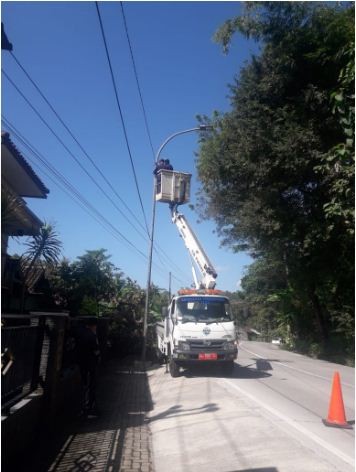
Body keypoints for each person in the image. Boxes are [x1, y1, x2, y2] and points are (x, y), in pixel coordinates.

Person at [76, 317, 101, 418]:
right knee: (90, 386)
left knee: (85, 385)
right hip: (90, 364)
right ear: (93, 326)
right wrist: (98, 356)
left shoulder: (80, 333)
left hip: (82, 363)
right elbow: (96, 351)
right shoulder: (91, 335)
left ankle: (86, 408)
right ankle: (88, 409)